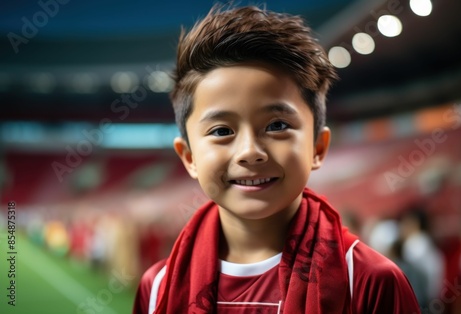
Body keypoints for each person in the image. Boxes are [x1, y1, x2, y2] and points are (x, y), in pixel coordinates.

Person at [133, 4, 420, 314]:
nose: (249, 151)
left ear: (318, 147)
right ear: (188, 157)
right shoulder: (157, 287)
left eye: (277, 125)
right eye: (221, 130)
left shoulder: (369, 282)